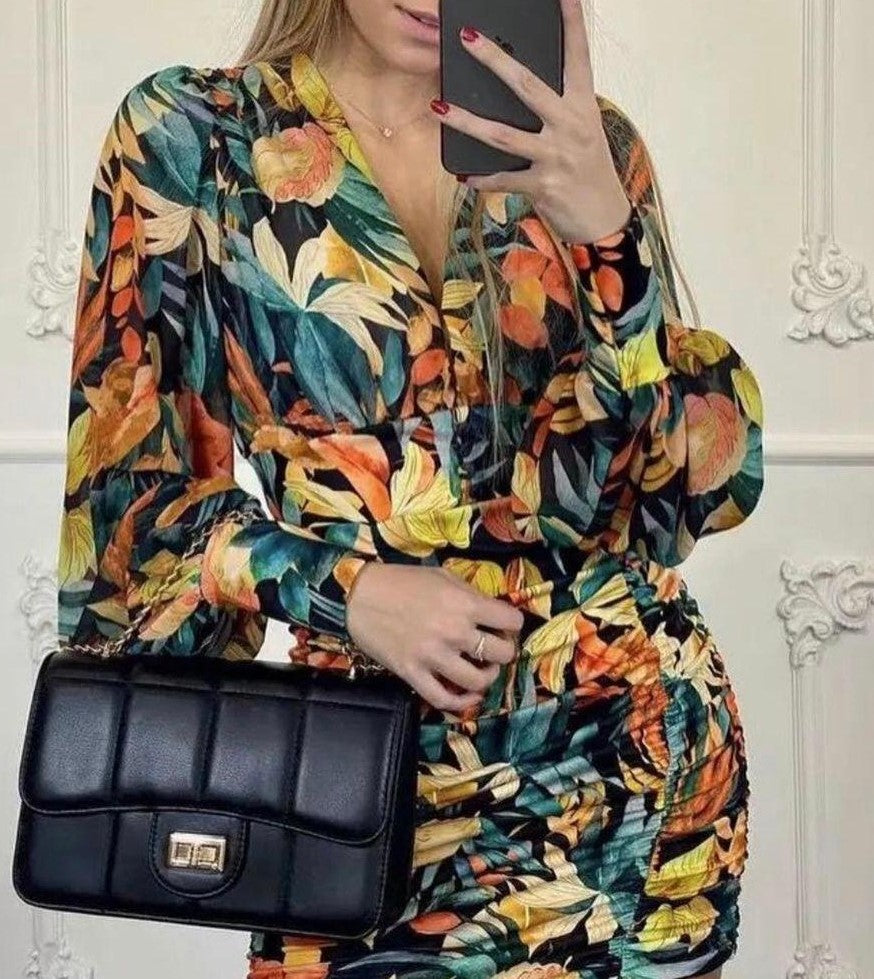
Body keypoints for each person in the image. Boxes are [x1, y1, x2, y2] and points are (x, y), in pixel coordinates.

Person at [56, 0, 765, 976]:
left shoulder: (581, 142)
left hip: (631, 781)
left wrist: (609, 235)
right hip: (361, 794)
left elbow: (673, 498)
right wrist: (347, 592)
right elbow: (123, 528)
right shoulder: (192, 138)